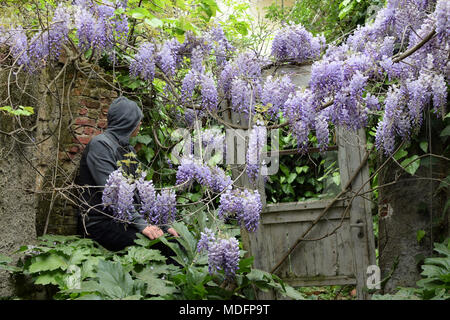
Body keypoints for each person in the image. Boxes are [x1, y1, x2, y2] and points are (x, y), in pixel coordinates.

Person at [75, 96, 179, 251]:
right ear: (127, 121)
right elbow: (114, 196)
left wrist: (161, 225)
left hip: (124, 221)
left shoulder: (127, 149)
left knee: (175, 241)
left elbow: (140, 192)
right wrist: (142, 225)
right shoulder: (100, 146)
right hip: (100, 223)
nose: (140, 123)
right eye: (137, 119)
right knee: (164, 247)